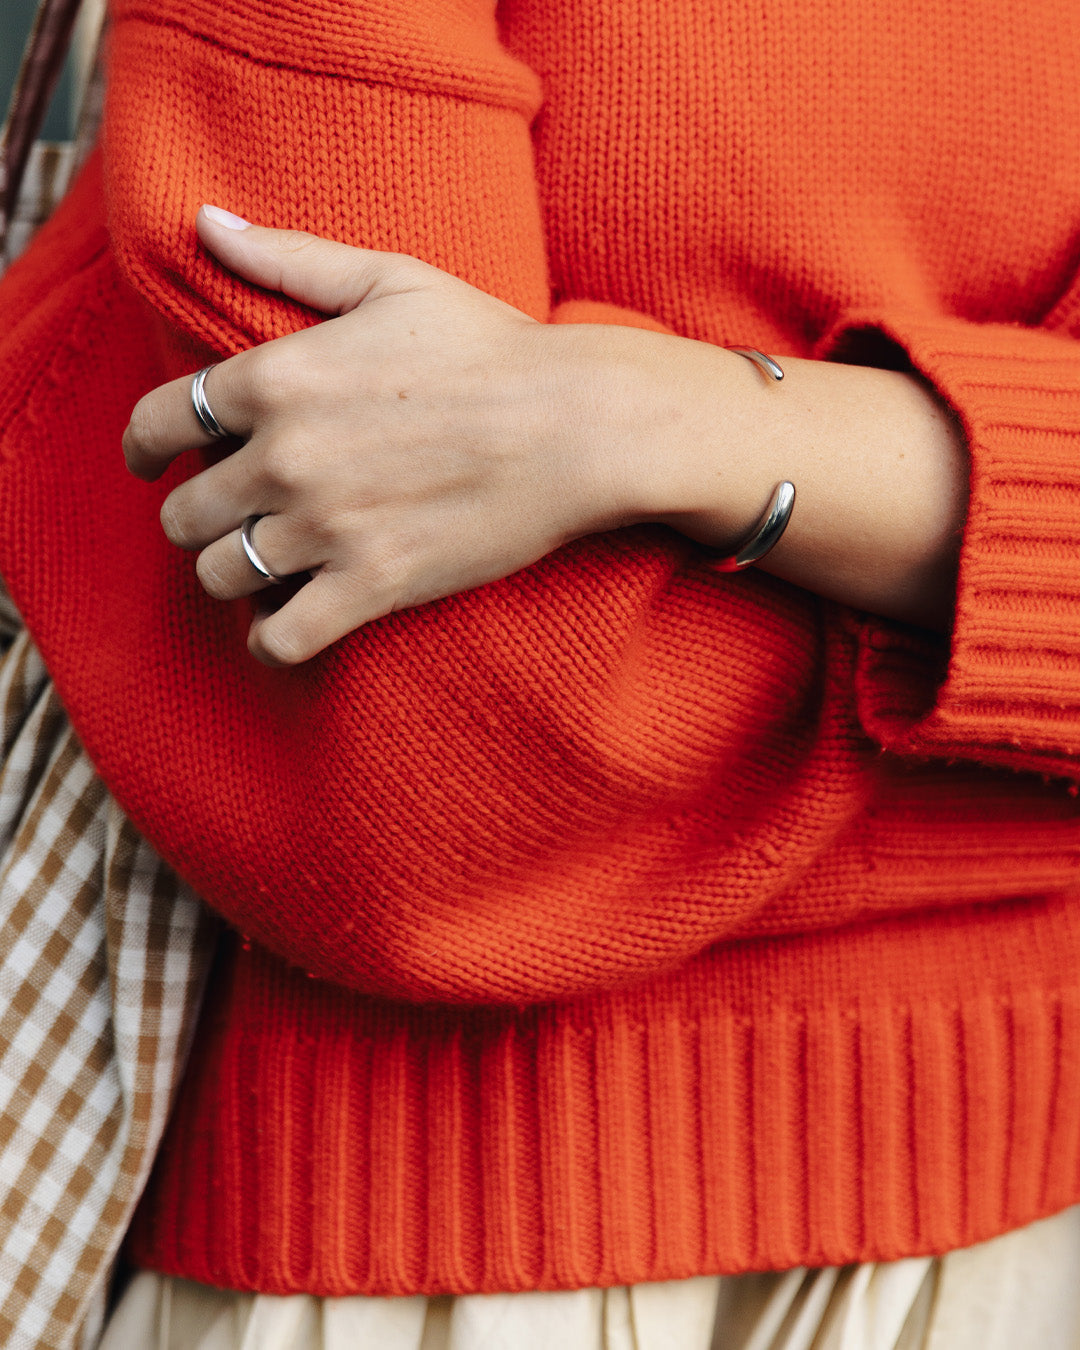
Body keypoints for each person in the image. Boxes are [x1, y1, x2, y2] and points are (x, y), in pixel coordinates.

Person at [3, 0, 1080, 1345]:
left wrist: (639, 422)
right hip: (424, 1254)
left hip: (1023, 1222)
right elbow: (436, 781)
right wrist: (996, 651)